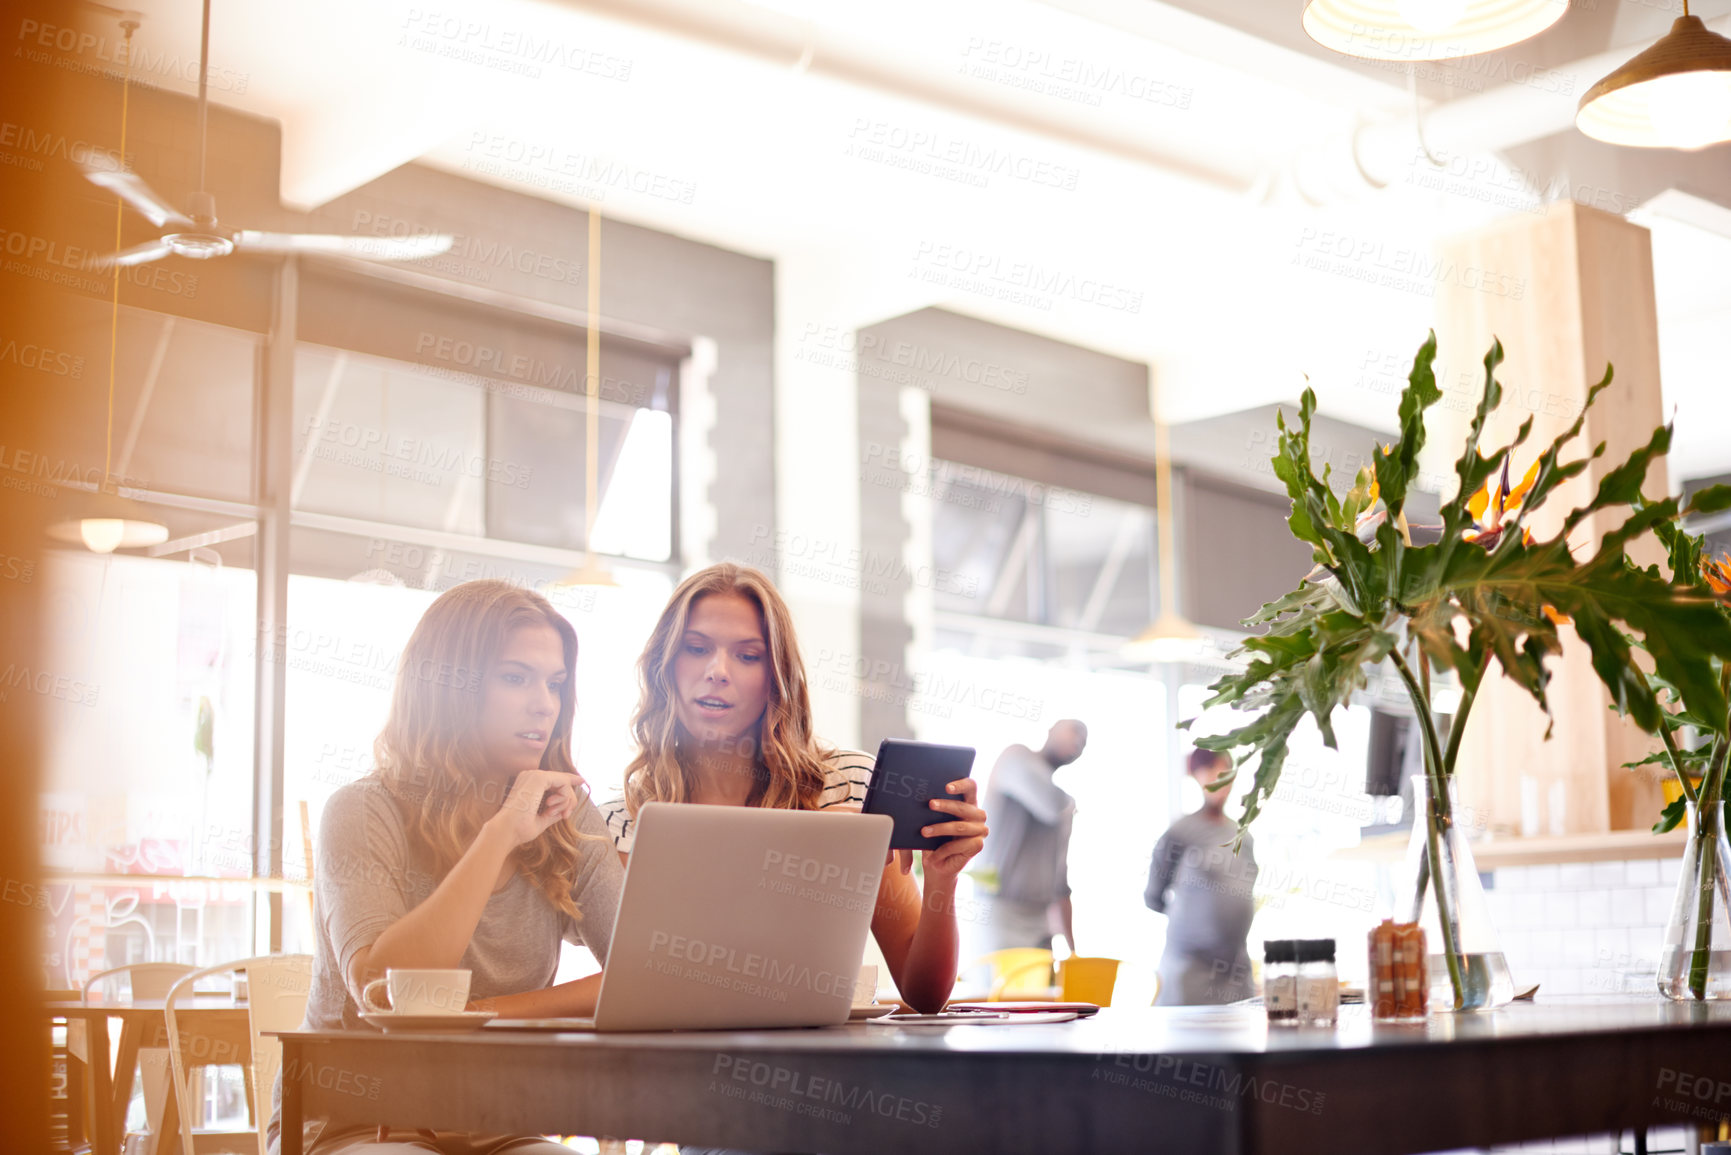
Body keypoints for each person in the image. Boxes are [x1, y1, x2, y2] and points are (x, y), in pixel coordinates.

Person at [273, 580, 625, 1155]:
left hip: (497, 1123)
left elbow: (640, 979)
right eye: (515, 678)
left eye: (555, 683)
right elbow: (384, 993)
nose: (545, 704)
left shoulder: (566, 813)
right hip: (357, 1123)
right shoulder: (363, 811)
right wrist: (500, 833)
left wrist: (484, 1013)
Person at [599, 563, 988, 1014]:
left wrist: (943, 879)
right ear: (665, 666)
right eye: (696, 647)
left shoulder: (848, 788)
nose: (717, 671)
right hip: (668, 1066)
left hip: (821, 1065)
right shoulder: (621, 819)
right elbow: (644, 981)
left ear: (775, 677)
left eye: (747, 656)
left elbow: (924, 995)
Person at [1145, 747, 1258, 1005]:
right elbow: (1153, 896)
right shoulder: (1181, 833)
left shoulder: (1243, 835)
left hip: (1235, 968)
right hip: (1190, 967)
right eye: (1211, 770)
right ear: (1197, 776)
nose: (1219, 779)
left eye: (1225, 771)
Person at [973, 720, 1088, 954]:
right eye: (1073, 731)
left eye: (1084, 741)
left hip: (1040, 919)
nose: (1078, 741)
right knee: (999, 989)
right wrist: (1070, 804)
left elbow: (1059, 878)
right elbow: (1050, 804)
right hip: (999, 910)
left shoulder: (1063, 810)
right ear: (1051, 730)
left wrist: (1073, 948)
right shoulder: (1016, 758)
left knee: (1040, 991)